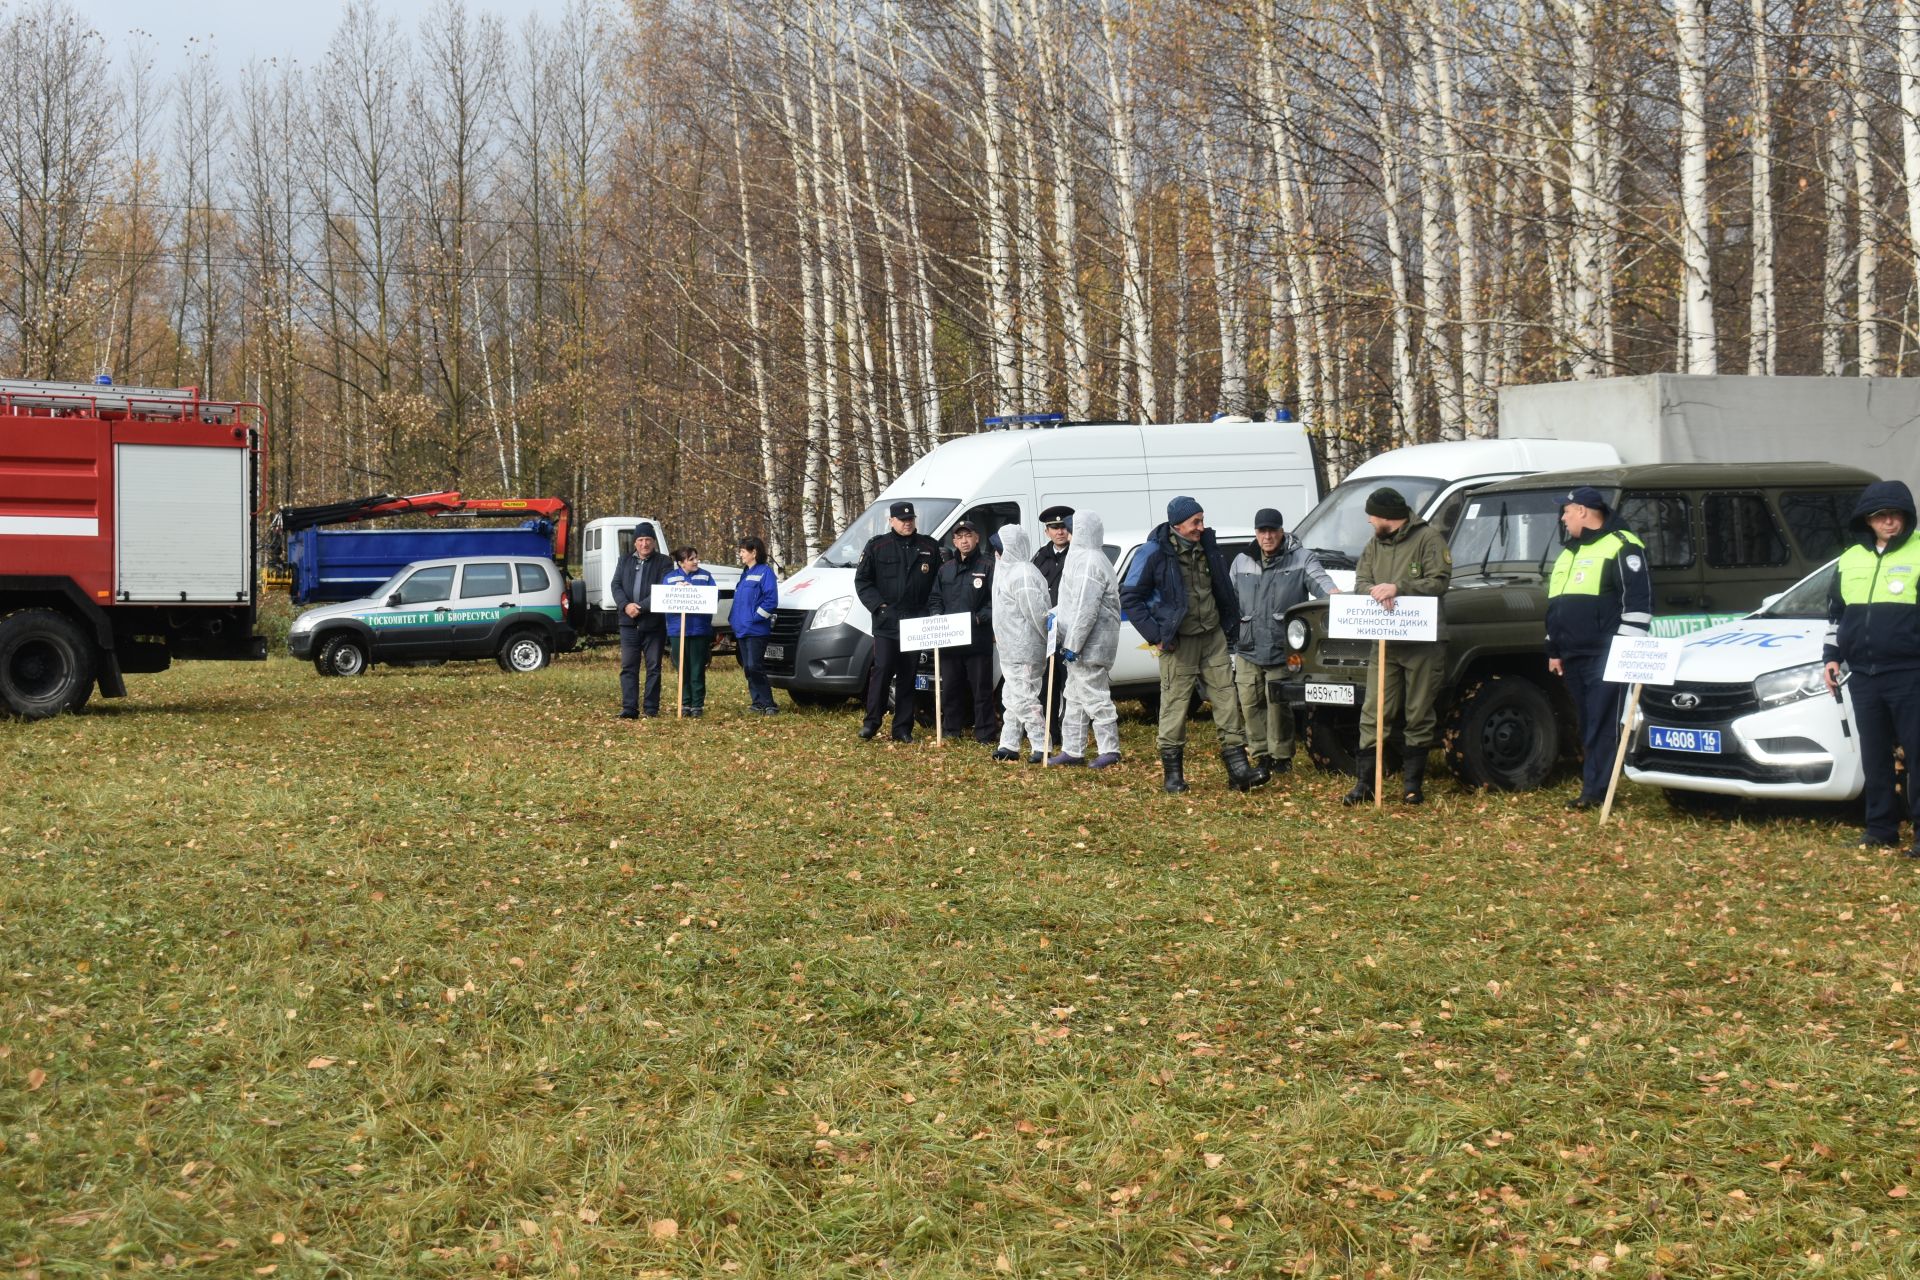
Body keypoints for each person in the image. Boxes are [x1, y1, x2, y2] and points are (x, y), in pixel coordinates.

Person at [1121, 496, 1261, 794]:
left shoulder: (1208, 546)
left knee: (1226, 699)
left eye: (1202, 520)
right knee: (1174, 706)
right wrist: (1156, 635)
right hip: (1177, 642)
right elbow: (1130, 597)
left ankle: (1239, 770)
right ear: (1177, 524)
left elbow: (1221, 587)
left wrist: (1229, 622)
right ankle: (1173, 777)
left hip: (1212, 637)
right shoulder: (1153, 552)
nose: (1201, 527)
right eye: (1195, 522)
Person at [1823, 480, 1920, 855]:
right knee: (1874, 755)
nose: (1890, 522)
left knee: (1917, 753)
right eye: (1881, 516)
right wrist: (1830, 658)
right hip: (1862, 674)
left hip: (1910, 672)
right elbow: (1835, 615)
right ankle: (1880, 829)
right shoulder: (1850, 559)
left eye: (1896, 515)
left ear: (1906, 518)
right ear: (1868, 520)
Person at [1547, 485, 1653, 810]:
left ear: (1582, 511)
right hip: (1572, 654)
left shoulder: (1623, 546)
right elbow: (1555, 605)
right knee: (1586, 720)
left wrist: (1623, 653)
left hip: (1606, 655)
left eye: (1566, 511)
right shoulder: (1568, 552)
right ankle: (1592, 784)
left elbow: (1637, 604)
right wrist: (1553, 648)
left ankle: (1596, 792)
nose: (1563, 518)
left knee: (1603, 723)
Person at [1344, 487, 1452, 807]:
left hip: (1422, 642)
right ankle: (1366, 783)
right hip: (1386, 642)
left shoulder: (1428, 539)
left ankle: (1412, 786)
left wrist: (1399, 588)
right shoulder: (1374, 545)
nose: (1368, 520)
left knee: (1418, 712)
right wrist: (1376, 591)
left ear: (1388, 517)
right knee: (1374, 711)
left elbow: (1440, 580)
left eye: (1372, 515)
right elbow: (1361, 581)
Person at [1230, 506, 1337, 782]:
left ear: (1282, 531)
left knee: (1278, 705)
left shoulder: (1302, 558)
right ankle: (1260, 753)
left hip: (1281, 647)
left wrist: (1339, 597)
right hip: (1248, 646)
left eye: (1272, 531)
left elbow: (1322, 585)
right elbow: (1229, 598)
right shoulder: (1241, 560)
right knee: (1250, 702)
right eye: (1262, 531)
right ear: (1256, 533)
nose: (1267, 536)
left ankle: (1281, 758)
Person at [853, 499, 942, 741]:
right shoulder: (877, 547)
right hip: (887, 622)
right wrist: (879, 607)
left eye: (910, 519)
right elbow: (863, 581)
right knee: (881, 671)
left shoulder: (929, 547)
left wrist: (931, 611)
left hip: (915, 621)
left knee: (908, 675)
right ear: (891, 521)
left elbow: (937, 583)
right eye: (902, 520)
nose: (907, 523)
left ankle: (902, 728)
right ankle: (872, 722)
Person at [1050, 509, 1124, 768]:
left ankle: (1110, 749)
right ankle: (1073, 749)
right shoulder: (1080, 557)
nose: (1066, 534)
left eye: (1071, 529)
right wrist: (1054, 618)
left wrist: (1073, 643)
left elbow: (1085, 608)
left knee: (1095, 696)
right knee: (1075, 696)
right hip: (1080, 643)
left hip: (1090, 645)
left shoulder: (1091, 561)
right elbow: (1070, 602)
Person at [929, 520, 998, 742]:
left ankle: (986, 733)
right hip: (951, 640)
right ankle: (951, 730)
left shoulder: (988, 566)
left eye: (968, 535)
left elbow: (996, 600)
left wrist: (979, 618)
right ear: (954, 541)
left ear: (977, 538)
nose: (964, 541)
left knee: (981, 689)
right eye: (959, 537)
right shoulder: (945, 569)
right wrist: (936, 616)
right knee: (950, 688)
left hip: (977, 638)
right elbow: (935, 598)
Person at [990, 525, 1051, 762]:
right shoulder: (1008, 571)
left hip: (1025, 647)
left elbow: (1037, 613)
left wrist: (1047, 639)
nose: (996, 553)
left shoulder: (1023, 573)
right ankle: (1009, 744)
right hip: (1010, 648)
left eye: (1000, 548)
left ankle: (1041, 745)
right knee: (1011, 697)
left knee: (1025, 698)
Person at [610, 521, 673, 718]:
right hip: (628, 623)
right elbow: (616, 585)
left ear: (653, 542)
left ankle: (651, 708)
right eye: (640, 540)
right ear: (635, 542)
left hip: (653, 624)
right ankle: (629, 708)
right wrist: (625, 605)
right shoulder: (624, 560)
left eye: (647, 539)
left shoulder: (664, 562)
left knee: (653, 667)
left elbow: (664, 589)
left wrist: (641, 607)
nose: (644, 544)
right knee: (629, 666)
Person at [1033, 504, 1074, 735]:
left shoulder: (1076, 555)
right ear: (1046, 531)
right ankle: (1050, 732)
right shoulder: (1040, 556)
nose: (1059, 532)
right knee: (1047, 685)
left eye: (1063, 527)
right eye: (1054, 527)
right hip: (1047, 632)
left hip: (1069, 631)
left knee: (1070, 685)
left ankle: (1070, 732)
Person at [662, 547, 716, 717]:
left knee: (697, 667)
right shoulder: (670, 578)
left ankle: (697, 705)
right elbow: (664, 599)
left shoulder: (705, 576)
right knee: (682, 667)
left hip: (699, 629)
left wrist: (694, 592)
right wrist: (676, 591)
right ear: (681, 562)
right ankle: (684, 703)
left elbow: (715, 596)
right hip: (678, 630)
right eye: (691, 559)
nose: (695, 561)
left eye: (696, 558)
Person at [731, 536, 780, 716]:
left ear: (754, 552)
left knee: (754, 666)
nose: (741, 554)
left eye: (743, 551)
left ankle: (769, 703)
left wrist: (755, 618)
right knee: (748, 667)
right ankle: (757, 702)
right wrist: (733, 620)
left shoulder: (765, 572)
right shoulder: (745, 573)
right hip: (742, 629)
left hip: (756, 630)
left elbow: (771, 600)